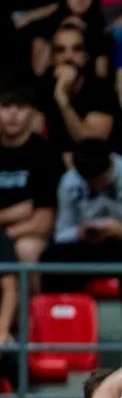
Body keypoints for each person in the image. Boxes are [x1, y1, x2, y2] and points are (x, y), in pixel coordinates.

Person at [40, 140, 122, 335]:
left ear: (111, 164)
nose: (95, 187)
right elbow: (61, 234)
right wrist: (79, 232)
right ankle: (63, 333)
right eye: (90, 184)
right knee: (52, 258)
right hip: (90, 245)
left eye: (99, 181)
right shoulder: (70, 182)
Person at [37, 24, 122, 161]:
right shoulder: (44, 87)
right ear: (52, 58)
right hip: (61, 163)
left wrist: (62, 99)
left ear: (86, 56)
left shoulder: (102, 89)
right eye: (60, 50)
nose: (68, 56)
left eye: (77, 49)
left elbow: (90, 145)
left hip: (105, 164)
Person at [0, 80, 63, 264]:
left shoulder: (47, 154)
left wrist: (3, 237)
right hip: (11, 228)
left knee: (27, 248)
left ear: (33, 113)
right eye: (5, 106)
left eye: (20, 107)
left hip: (27, 235)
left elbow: (43, 222)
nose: (13, 114)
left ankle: (28, 295)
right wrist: (13, 213)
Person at [30, 0, 115, 79]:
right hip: (51, 84)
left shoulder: (99, 31)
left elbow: (101, 75)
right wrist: (58, 32)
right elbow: (39, 70)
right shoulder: (45, 27)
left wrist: (87, 38)